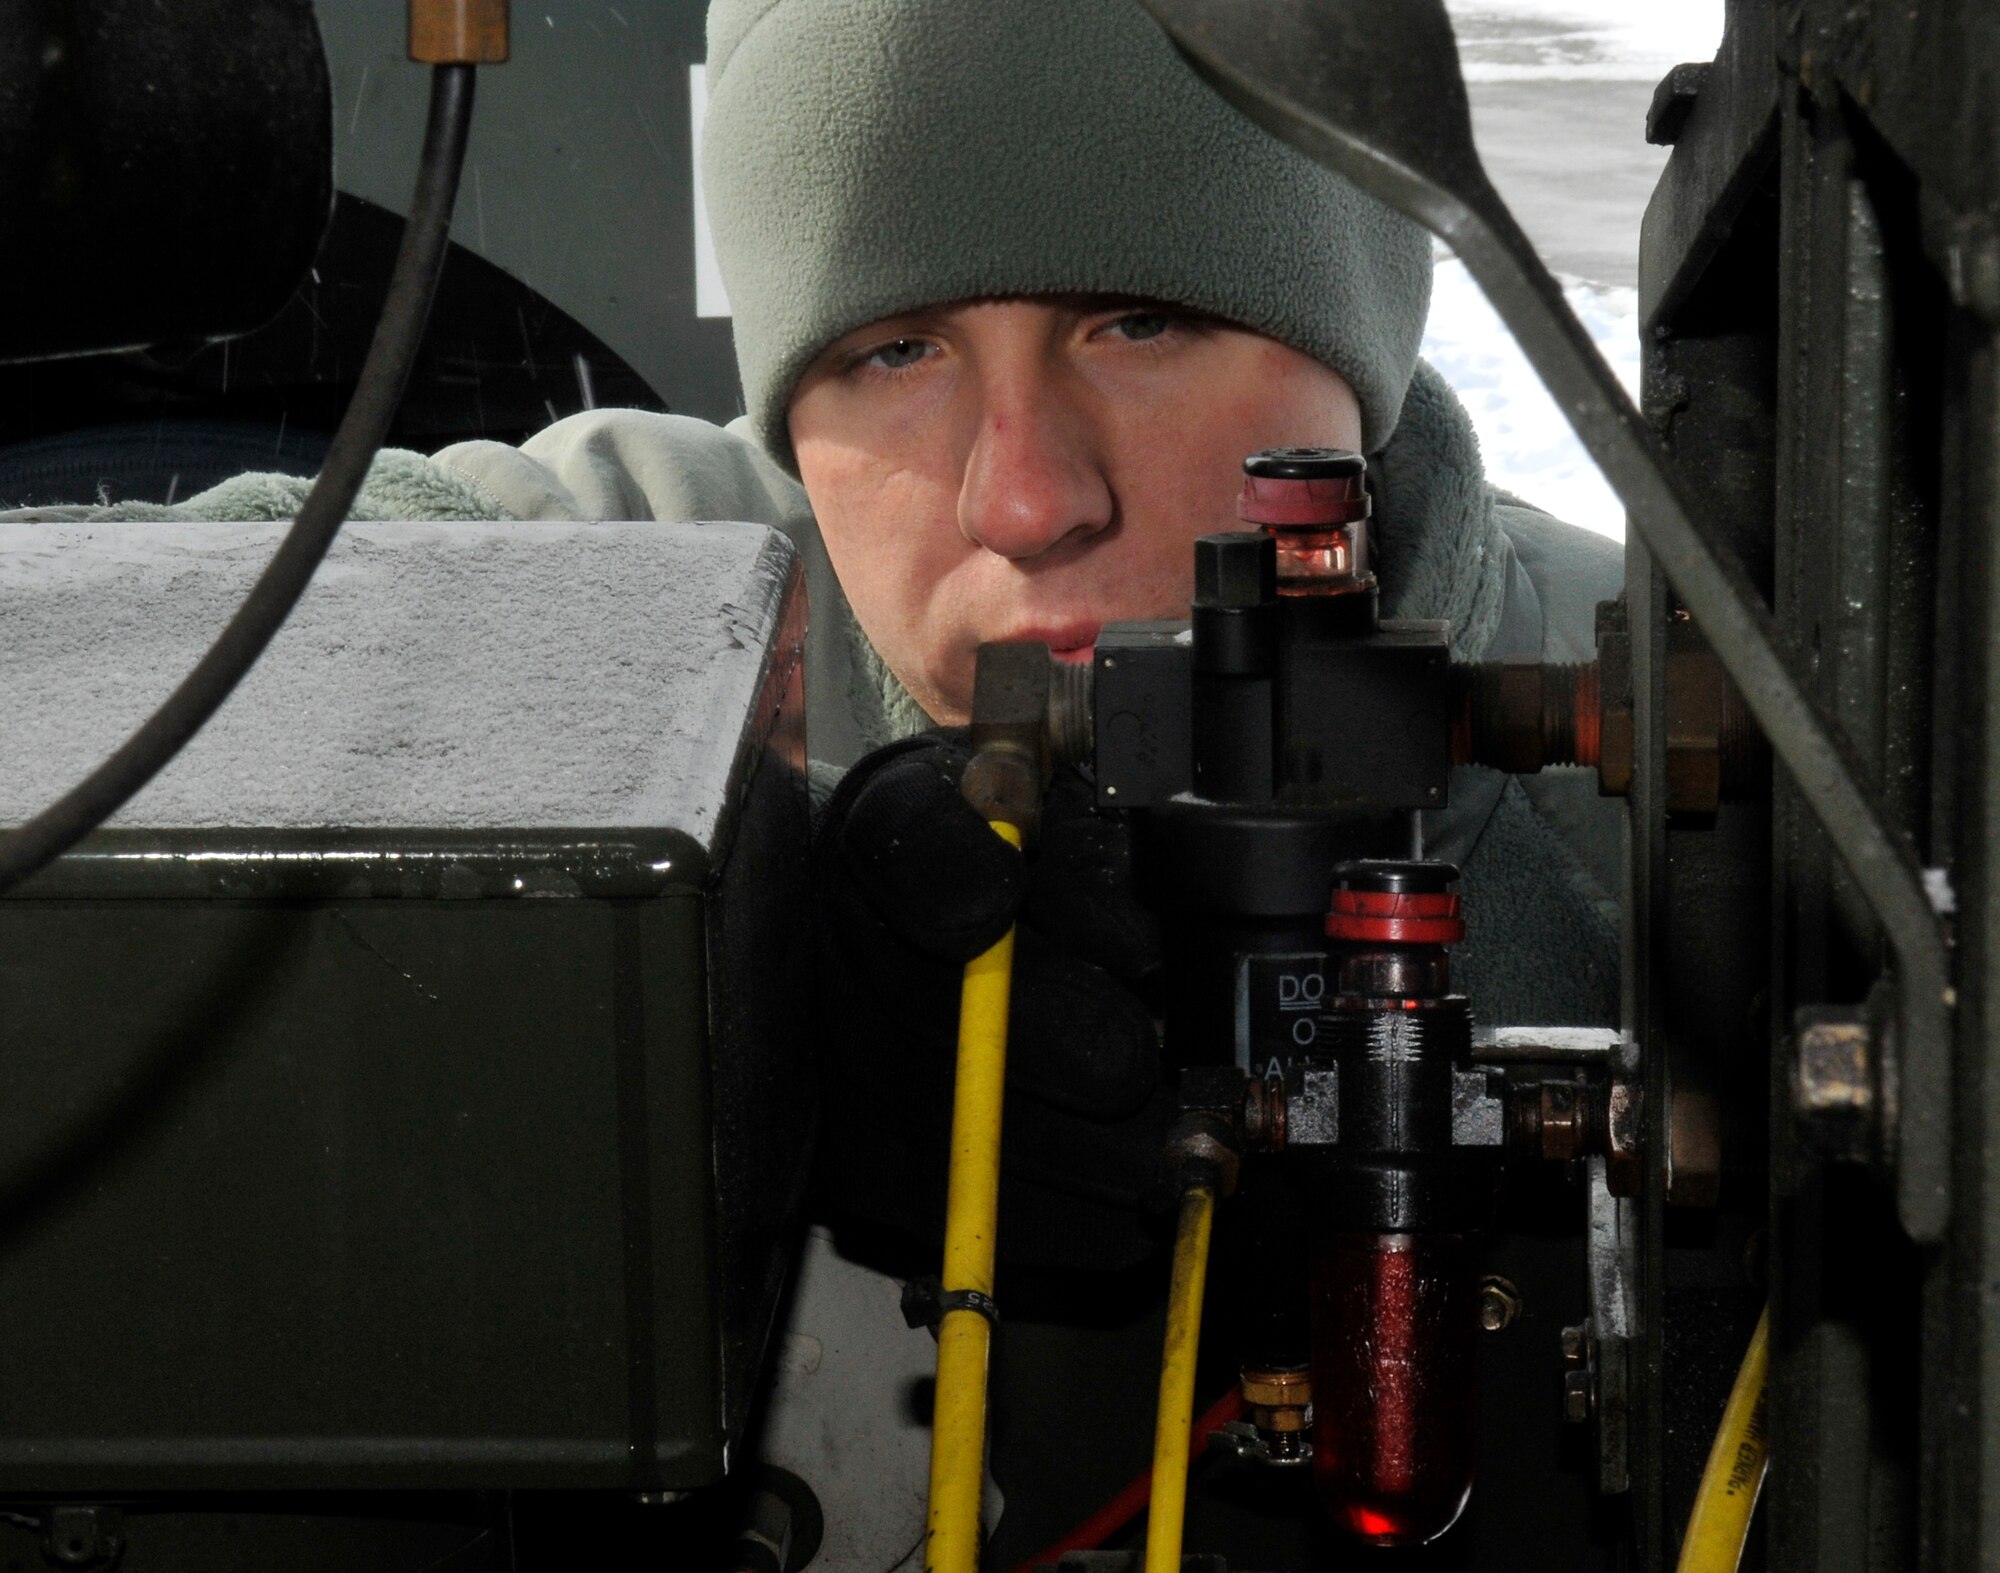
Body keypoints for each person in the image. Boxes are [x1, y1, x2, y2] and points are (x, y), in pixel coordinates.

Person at [15, 0, 1622, 1559]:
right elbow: (72, 680)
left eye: (1143, 320)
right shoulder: (646, 583)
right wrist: (742, 965)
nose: (1025, 497)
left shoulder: (1667, 730)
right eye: (894, 348)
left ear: (1360, 347)